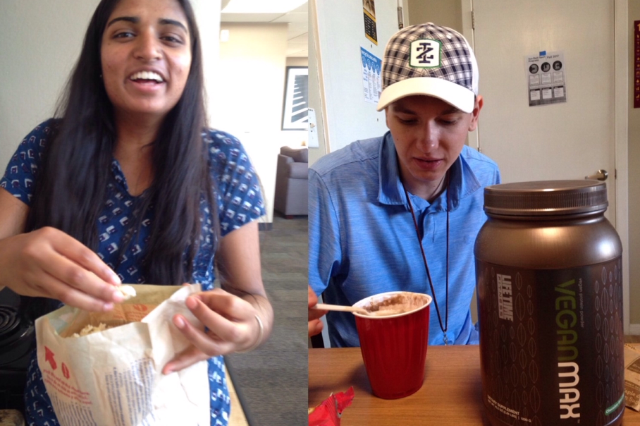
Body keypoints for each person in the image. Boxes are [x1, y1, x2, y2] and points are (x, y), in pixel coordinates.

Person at [0, 0, 273, 425]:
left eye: (170, 37)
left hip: (181, 392)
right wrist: (6, 259)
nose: (149, 49)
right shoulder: (45, 147)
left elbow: (252, 296)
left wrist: (251, 326)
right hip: (68, 391)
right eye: (125, 33)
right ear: (97, 55)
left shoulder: (221, 158)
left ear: (190, 61)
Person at [308, 23, 501, 347]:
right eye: (408, 120)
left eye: (448, 120)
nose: (428, 142)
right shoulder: (331, 186)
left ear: (474, 114)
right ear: (386, 115)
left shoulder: (486, 177)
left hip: (463, 360)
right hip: (372, 372)